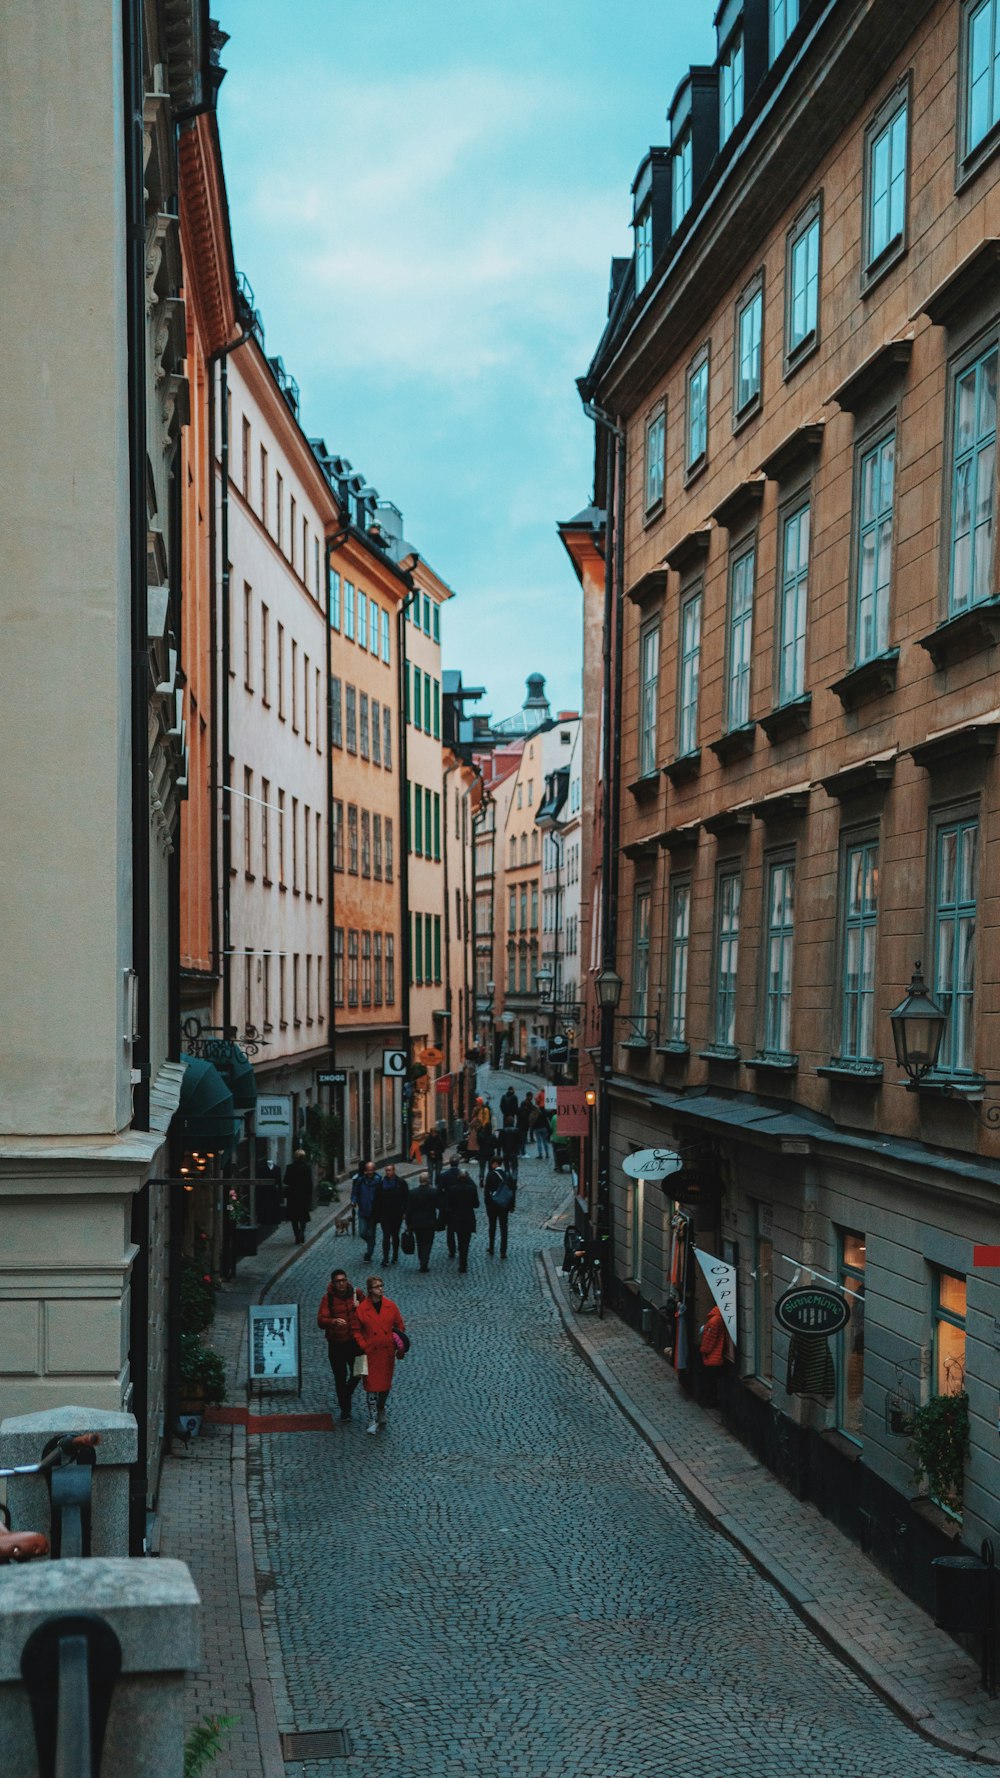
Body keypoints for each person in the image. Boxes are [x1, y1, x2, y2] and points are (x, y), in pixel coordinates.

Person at [354, 1275, 406, 1434]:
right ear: (370, 1290)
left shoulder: (391, 1306)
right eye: (377, 1286)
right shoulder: (362, 1309)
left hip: (386, 1352)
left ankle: (381, 1407)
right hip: (370, 1354)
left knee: (384, 1386)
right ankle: (372, 1417)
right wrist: (364, 1345)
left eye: (381, 1285)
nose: (381, 1289)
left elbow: (400, 1325)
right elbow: (356, 1330)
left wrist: (397, 1342)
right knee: (371, 1387)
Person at [316, 1268, 362, 1421]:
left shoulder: (357, 1294)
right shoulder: (327, 1299)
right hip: (337, 1345)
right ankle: (345, 1410)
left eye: (343, 1280)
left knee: (359, 1371)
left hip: (355, 1342)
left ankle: (346, 1394)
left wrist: (359, 1307)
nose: (341, 1284)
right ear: (333, 1283)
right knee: (340, 1377)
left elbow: (368, 1311)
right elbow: (321, 1320)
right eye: (338, 1281)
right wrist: (333, 1321)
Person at [439, 1151, 479, 1272]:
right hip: (467, 1216)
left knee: (451, 1231)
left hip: (453, 1212)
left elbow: (440, 1191)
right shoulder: (471, 1187)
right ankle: (463, 1261)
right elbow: (476, 1203)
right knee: (465, 1241)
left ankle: (452, 1250)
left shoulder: (447, 1180)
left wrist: (443, 1205)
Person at [405, 1169, 442, 1271]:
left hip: (416, 1222)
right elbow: (439, 1206)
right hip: (429, 1222)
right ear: (428, 1180)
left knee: (420, 1242)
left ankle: (422, 1259)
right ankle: (424, 1262)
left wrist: (408, 1223)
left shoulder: (412, 1193)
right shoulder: (433, 1192)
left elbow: (409, 1210)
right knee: (428, 1243)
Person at [374, 1163, 409, 1266]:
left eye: (390, 1170)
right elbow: (377, 1200)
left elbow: (406, 1198)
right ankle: (385, 1258)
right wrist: (378, 1214)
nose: (388, 1172)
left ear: (394, 1171)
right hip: (385, 1214)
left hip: (396, 1213)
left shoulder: (401, 1183)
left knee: (395, 1235)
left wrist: (405, 1212)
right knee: (386, 1236)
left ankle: (395, 1256)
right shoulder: (381, 1185)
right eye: (386, 1171)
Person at [483, 1157, 515, 1259]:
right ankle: (503, 1251)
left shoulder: (490, 1175)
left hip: (493, 1204)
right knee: (503, 1228)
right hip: (504, 1205)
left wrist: (487, 1204)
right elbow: (512, 1192)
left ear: (495, 1164)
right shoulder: (507, 1175)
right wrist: (511, 1206)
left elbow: (486, 1192)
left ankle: (491, 1247)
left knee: (492, 1226)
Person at [351, 1161, 381, 1262]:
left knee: (371, 1233)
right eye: (367, 1170)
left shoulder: (378, 1181)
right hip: (363, 1211)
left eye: (371, 1170)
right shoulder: (360, 1181)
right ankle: (371, 1242)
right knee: (362, 1232)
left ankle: (369, 1253)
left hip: (374, 1212)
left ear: (374, 1170)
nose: (369, 1172)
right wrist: (353, 1201)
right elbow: (355, 1192)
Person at [283, 1147, 313, 1244]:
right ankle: (302, 1233)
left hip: (293, 1196)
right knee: (303, 1217)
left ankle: (296, 1235)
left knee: (294, 1218)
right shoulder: (307, 1168)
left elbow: (285, 1181)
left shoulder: (290, 1167)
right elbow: (310, 1183)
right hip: (304, 1196)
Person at [420, 1121, 446, 1186]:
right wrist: (429, 1153)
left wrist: (435, 1152)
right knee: (430, 1171)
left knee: (438, 1173)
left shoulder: (439, 1139)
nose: (434, 1134)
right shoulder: (428, 1140)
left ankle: (437, 1184)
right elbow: (424, 1149)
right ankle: (430, 1184)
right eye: (433, 1133)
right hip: (430, 1158)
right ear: (431, 1133)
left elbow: (442, 1149)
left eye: (435, 1133)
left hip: (438, 1158)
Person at [497, 1116, 520, 1183]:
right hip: (514, 1152)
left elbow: (499, 1142)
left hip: (505, 1151)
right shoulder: (516, 1130)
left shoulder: (502, 1131)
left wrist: (498, 1153)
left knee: (506, 1168)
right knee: (514, 1167)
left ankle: (507, 1180)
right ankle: (514, 1180)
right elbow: (519, 1141)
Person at [516, 1091, 534, 1156]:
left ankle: (519, 1152)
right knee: (522, 1140)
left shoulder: (525, 1105)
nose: (532, 1098)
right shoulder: (528, 1104)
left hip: (521, 1125)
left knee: (520, 1139)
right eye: (531, 1096)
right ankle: (522, 1153)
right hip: (523, 1125)